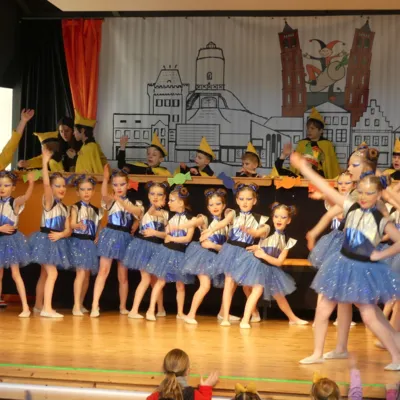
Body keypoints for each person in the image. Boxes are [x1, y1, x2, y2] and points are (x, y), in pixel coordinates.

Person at [291, 151, 400, 371]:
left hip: (361, 269)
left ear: (378, 195)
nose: (363, 196)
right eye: (360, 192)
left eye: (369, 193)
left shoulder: (381, 219)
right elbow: (324, 187)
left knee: (369, 316)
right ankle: (317, 353)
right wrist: (304, 168)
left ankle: (397, 357)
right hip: (341, 263)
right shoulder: (350, 205)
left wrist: (379, 255)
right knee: (322, 310)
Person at [201, 183, 269, 327]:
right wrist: (210, 231)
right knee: (229, 283)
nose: (245, 202)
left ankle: (252, 313)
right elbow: (222, 223)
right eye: (242, 199)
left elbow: (263, 233)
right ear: (237, 200)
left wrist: (255, 235)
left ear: (254, 201)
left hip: (246, 252)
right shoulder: (233, 213)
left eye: (248, 199)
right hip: (231, 250)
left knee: (248, 285)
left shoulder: (259, 218)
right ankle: (225, 317)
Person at [243, 203, 308, 328]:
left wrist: (264, 255)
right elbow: (258, 232)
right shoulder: (267, 230)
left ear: (288, 220)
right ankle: (245, 320)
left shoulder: (287, 240)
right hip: (258, 266)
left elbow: (279, 262)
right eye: (276, 216)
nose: (279, 220)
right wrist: (253, 232)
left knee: (279, 296)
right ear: (272, 218)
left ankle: (292, 318)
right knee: (257, 290)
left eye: (283, 217)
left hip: (272, 268)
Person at [91, 166, 142, 317]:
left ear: (128, 185)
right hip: (110, 235)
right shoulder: (110, 201)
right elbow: (104, 195)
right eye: (115, 184)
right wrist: (105, 179)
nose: (119, 188)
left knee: (123, 275)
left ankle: (123, 306)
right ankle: (94, 305)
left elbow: (138, 213)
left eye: (122, 184)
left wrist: (136, 222)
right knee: (103, 271)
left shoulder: (135, 202)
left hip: (125, 237)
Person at [29, 148, 71, 318]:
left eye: (63, 185)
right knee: (52, 273)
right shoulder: (49, 201)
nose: (61, 188)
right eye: (57, 186)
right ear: (52, 188)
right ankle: (47, 308)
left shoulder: (65, 207)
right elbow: (46, 184)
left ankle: (38, 306)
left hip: (55, 240)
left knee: (45, 274)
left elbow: (68, 229)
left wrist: (61, 235)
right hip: (45, 240)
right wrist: (45, 163)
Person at [178, 188, 230, 324]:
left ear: (224, 205)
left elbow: (226, 247)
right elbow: (196, 221)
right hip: (203, 256)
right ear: (207, 207)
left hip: (217, 256)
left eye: (218, 204)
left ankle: (223, 313)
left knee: (230, 285)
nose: (215, 207)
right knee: (205, 285)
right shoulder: (205, 219)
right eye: (211, 204)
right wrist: (180, 226)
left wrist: (213, 246)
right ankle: (191, 314)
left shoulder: (227, 224)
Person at [145, 185, 195, 321]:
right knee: (160, 281)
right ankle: (151, 310)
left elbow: (187, 238)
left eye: (172, 200)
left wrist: (171, 238)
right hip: (167, 252)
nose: (168, 203)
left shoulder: (191, 219)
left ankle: (180, 312)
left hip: (181, 253)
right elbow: (151, 212)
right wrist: (155, 204)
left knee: (180, 285)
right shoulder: (168, 214)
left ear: (181, 202)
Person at [122, 181, 169, 319]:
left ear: (165, 197)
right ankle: (134, 310)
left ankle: (160, 308)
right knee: (146, 278)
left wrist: (155, 233)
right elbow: (145, 211)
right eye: (152, 194)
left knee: (156, 280)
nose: (155, 197)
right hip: (143, 247)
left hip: (158, 248)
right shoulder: (143, 209)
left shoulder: (166, 214)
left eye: (159, 194)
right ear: (148, 195)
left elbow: (167, 235)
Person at [0, 170, 35, 317]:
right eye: (0, 185)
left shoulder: (14, 202)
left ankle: (25, 307)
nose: (2, 188)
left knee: (16, 273)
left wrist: (31, 183)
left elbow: (26, 197)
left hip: (11, 241)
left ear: (13, 187)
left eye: (6, 185)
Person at [68, 175, 104, 316]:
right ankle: (75, 305)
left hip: (90, 243)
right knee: (81, 273)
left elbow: (99, 226)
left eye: (89, 189)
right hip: (78, 241)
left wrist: (98, 236)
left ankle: (81, 303)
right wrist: (77, 225)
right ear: (78, 192)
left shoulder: (97, 210)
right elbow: (72, 224)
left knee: (87, 275)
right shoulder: (75, 207)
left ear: (93, 191)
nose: (86, 192)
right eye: (83, 189)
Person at [147, 348, 218, 400]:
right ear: (188, 371)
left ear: (164, 370)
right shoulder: (195, 396)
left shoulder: (154, 397)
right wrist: (205, 389)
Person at [291, 107, 341, 179]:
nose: (309, 131)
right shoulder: (302, 144)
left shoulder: (327, 145)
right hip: (303, 178)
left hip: (320, 178)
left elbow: (332, 166)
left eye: (312, 128)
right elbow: (295, 167)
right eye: (308, 128)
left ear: (321, 131)